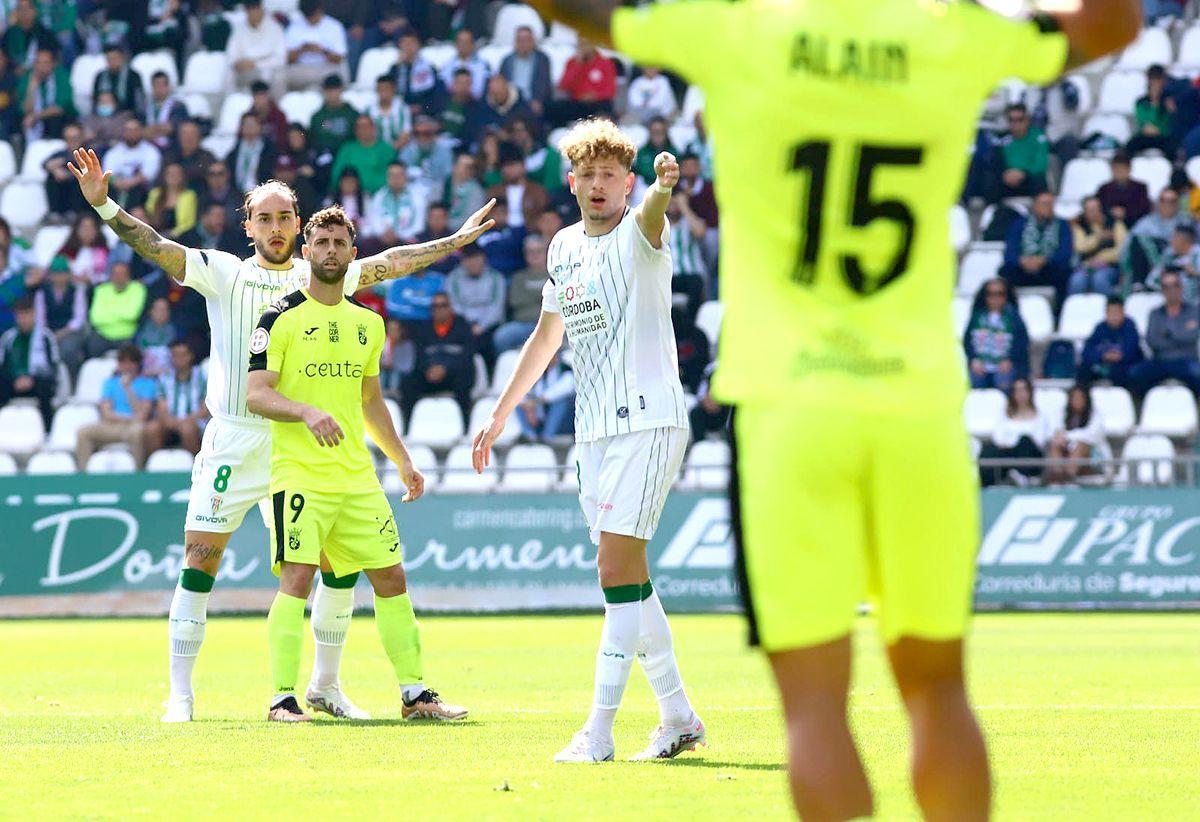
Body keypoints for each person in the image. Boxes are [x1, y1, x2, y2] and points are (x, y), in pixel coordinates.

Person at [523, 0, 1137, 816]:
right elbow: (1114, 23)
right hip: (915, 403)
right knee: (940, 693)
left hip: (789, 412)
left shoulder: (737, 31)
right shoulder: (952, 30)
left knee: (815, 712)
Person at [68, 146, 494, 723]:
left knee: (330, 565)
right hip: (235, 437)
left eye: (284, 217)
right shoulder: (225, 272)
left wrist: (453, 242)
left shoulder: (322, 274)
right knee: (199, 562)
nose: (275, 227)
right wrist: (107, 207)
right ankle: (181, 695)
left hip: (297, 444)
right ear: (247, 227)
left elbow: (394, 261)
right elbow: (158, 245)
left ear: (298, 224)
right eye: (263, 218)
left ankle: (324, 684)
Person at [472, 119, 703, 763]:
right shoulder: (564, 247)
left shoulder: (642, 227)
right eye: (588, 175)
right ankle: (679, 716)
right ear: (572, 182)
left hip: (650, 420)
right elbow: (546, 339)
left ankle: (597, 732)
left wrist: (662, 187)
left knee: (612, 571)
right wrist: (499, 413)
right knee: (630, 574)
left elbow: (656, 213)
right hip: (593, 430)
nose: (598, 184)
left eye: (611, 176)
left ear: (626, 183)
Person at [245, 205, 466, 722]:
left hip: (357, 477)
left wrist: (404, 461)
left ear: (352, 252)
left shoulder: (368, 323)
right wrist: (304, 410)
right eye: (319, 243)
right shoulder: (278, 317)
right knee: (297, 579)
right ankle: (282, 698)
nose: (329, 251)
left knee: (392, 578)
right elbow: (256, 395)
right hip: (299, 475)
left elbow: (371, 402)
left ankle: (415, 695)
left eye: (338, 243)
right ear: (306, 252)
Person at [74, 343, 159, 469]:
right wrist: (129, 418)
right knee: (83, 432)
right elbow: (106, 412)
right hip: (113, 425)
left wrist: (128, 388)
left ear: (137, 364)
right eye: (122, 363)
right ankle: (84, 476)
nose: (126, 367)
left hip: (133, 427)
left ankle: (138, 473)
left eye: (130, 363)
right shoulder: (109, 383)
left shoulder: (148, 384)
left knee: (137, 432)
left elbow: (143, 414)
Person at [400, 291, 476, 428]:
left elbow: (468, 355)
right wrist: (428, 369)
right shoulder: (423, 329)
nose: (439, 309)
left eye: (443, 305)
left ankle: (465, 427)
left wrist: (445, 368)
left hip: (454, 375)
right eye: (435, 306)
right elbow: (419, 357)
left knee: (464, 380)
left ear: (450, 307)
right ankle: (407, 427)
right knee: (407, 383)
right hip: (429, 375)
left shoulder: (462, 325)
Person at [1128, 270, 1200, 397]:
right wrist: (1181, 335)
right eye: (1166, 286)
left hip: (1186, 360)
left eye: (1175, 285)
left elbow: (1192, 336)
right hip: (1160, 361)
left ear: (1181, 287)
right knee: (1135, 373)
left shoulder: (1194, 311)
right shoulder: (1154, 313)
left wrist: (1167, 333)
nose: (1171, 290)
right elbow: (1152, 341)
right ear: (1162, 290)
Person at [978, 377, 1053, 487]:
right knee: (988, 449)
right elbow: (998, 436)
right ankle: (987, 484)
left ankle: (1022, 476)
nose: (1020, 394)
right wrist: (1010, 445)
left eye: (1023, 390)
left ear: (1029, 392)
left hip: (1030, 455)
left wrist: (1015, 442)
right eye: (1017, 391)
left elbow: (1039, 440)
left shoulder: (1040, 416)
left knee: (1024, 440)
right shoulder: (1005, 415)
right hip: (1008, 453)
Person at [1000, 190, 1073, 303]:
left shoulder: (1063, 225)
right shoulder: (1019, 224)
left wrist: (1044, 260)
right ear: (1035, 206)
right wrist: (1022, 261)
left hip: (1049, 269)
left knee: (1064, 272)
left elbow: (1065, 253)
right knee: (1006, 271)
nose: (1049, 207)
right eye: (1045, 204)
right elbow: (1010, 251)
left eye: (1051, 204)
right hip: (1022, 268)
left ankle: (1057, 314)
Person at [0, 294, 58, 431]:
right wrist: (16, 380)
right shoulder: (8, 338)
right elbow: (3, 365)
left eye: (27, 315)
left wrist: (31, 379)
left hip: (37, 381)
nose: (23, 320)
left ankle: (47, 431)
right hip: (14, 383)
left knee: (46, 386)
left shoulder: (46, 337)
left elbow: (53, 365)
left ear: (34, 314)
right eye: (20, 316)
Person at [963, 278, 1030, 391]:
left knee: (1003, 380)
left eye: (1000, 294)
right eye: (990, 294)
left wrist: (1009, 359)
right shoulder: (977, 316)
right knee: (974, 380)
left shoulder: (1013, 317)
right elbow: (967, 341)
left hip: (1005, 364)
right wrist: (973, 359)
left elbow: (1021, 342)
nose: (995, 298)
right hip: (980, 364)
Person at [446, 244, 505, 365]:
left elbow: (496, 307)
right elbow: (454, 305)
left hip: (489, 325)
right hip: (463, 323)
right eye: (467, 259)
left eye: (475, 258)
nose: (472, 263)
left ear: (483, 258)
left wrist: (481, 326)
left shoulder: (496, 277)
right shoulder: (453, 278)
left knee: (491, 341)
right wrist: (470, 325)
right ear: (462, 261)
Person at [146, 339, 207, 456]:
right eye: (175, 355)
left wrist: (186, 420)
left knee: (187, 429)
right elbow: (161, 406)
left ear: (191, 356)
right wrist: (170, 421)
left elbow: (205, 409)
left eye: (183, 355)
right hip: (169, 421)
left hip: (195, 421)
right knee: (151, 429)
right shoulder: (164, 377)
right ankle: (152, 467)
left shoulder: (202, 376)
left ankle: (195, 467)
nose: (179, 359)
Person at [1125, 187, 1194, 288]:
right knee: (1139, 240)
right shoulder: (1145, 223)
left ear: (1177, 203)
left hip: (1178, 264)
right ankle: (1139, 284)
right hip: (1149, 265)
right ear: (1158, 202)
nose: (1167, 204)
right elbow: (1128, 245)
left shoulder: (1186, 222)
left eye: (1172, 201)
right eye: (1163, 200)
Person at [494, 234, 550, 354]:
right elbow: (516, 301)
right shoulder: (518, 277)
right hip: (524, 324)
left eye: (539, 251)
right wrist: (543, 296)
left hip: (552, 323)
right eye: (530, 252)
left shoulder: (555, 274)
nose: (535, 255)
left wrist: (532, 296)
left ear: (546, 252)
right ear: (525, 254)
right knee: (502, 336)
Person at [33, 254, 87, 375]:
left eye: (62, 273)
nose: (59, 277)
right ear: (50, 275)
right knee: (42, 348)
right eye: (56, 273)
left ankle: (71, 381)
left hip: (70, 332)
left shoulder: (77, 291)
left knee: (68, 349)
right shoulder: (42, 292)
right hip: (48, 331)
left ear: (68, 274)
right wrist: (48, 333)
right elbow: (40, 318)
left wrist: (61, 334)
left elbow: (79, 319)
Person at [1044, 385, 1108, 485]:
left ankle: (1069, 477)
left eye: (1080, 398)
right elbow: (1054, 431)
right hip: (1065, 453)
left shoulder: (1095, 415)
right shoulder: (1062, 413)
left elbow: (1091, 435)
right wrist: (1061, 438)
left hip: (1091, 458)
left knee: (1080, 444)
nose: (1077, 401)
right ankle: (1057, 478)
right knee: (1055, 446)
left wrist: (1067, 436)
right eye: (1074, 398)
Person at [85, 261, 146, 358]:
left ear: (128, 276)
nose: (119, 278)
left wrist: (109, 311)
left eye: (122, 274)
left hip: (127, 335)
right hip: (103, 336)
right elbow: (95, 318)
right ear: (111, 276)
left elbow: (132, 315)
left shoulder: (137, 288)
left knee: (131, 353)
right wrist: (121, 312)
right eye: (116, 274)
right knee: (91, 346)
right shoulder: (101, 290)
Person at [284, 0, 349, 91]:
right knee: (280, 76)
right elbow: (288, 59)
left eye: (313, 15)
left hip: (326, 68)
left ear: (319, 11)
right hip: (301, 69)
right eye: (308, 17)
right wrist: (302, 49)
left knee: (335, 77)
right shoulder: (294, 27)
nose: (311, 19)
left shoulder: (334, 26)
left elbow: (339, 58)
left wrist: (322, 51)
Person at [1078, 296, 1143, 387]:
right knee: (1083, 370)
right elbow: (1086, 352)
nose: (1114, 316)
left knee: (1123, 371)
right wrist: (1103, 356)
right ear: (1106, 313)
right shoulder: (1100, 328)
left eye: (1117, 312)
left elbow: (1132, 350)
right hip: (1103, 364)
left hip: (1124, 366)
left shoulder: (1130, 327)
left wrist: (1119, 356)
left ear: (1123, 312)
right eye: (1111, 313)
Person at [226, 0, 286, 98]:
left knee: (276, 75)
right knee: (228, 74)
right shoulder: (239, 29)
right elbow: (231, 56)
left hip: (267, 70)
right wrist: (237, 64)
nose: (252, 12)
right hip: (245, 72)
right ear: (245, 10)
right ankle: (232, 106)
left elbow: (280, 59)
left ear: (261, 9)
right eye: (249, 9)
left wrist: (255, 64)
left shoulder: (275, 28)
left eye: (255, 8)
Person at [551, 39, 617, 125]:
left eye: (586, 44)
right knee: (555, 108)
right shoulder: (572, 62)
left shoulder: (605, 63)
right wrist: (577, 64)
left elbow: (610, 90)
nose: (584, 47)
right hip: (577, 103)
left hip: (598, 103)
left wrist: (594, 95)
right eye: (581, 44)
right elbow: (563, 85)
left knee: (604, 108)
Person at [1069, 196, 1125, 295]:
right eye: (1089, 210)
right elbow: (1080, 247)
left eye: (1095, 209)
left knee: (1099, 279)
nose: (1093, 213)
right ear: (1084, 212)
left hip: (1110, 267)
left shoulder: (1115, 224)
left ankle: (1110, 308)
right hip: (1086, 267)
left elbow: (1123, 250)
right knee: (1076, 281)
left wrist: (1102, 257)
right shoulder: (1079, 226)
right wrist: (1098, 237)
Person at [102, 118, 161, 210]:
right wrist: (117, 182)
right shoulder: (114, 152)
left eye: (135, 130)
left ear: (141, 131)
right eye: (128, 130)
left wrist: (130, 183)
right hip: (117, 189)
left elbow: (148, 174)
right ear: (123, 132)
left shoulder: (151, 151)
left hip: (141, 192)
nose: (131, 133)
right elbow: (107, 173)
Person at [329, 115, 396, 196]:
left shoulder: (386, 149)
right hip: (351, 196)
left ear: (373, 128)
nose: (363, 129)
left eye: (366, 126)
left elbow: (391, 175)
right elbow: (337, 174)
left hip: (380, 196)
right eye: (359, 127)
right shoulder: (347, 149)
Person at [18, 46, 73, 142]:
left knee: (55, 120)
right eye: (38, 63)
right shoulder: (27, 79)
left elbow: (59, 108)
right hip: (35, 121)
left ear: (53, 64)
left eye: (46, 63)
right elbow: (26, 109)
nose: (41, 66)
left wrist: (36, 116)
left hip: (59, 120)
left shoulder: (61, 76)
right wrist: (32, 87)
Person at [518, 349, 574, 441]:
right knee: (517, 404)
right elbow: (525, 390)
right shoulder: (538, 371)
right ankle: (530, 435)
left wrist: (536, 402)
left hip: (563, 421)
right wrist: (528, 408)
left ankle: (547, 437)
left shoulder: (565, 369)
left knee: (560, 402)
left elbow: (565, 388)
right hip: (541, 417)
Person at [365, 162, 425, 248]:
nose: (395, 179)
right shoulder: (379, 196)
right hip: (383, 239)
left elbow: (419, 225)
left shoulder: (416, 196)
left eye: (399, 175)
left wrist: (399, 235)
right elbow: (373, 221)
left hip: (406, 242)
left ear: (406, 177)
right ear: (387, 177)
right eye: (392, 175)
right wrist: (383, 233)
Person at [486, 150, 549, 230]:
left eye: (512, 165)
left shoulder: (537, 191)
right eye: (504, 166)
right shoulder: (494, 191)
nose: (507, 169)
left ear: (523, 166)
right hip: (502, 231)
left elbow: (543, 214)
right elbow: (487, 215)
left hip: (529, 232)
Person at [997, 102, 1049, 197]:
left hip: (1029, 179)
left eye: (1020, 120)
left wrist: (1023, 172)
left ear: (1027, 120)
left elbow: (1041, 164)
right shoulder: (1003, 140)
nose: (1015, 123)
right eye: (1011, 120)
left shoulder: (1038, 137)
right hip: (1009, 180)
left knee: (1039, 178)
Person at [500, 26, 553, 119]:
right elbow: (503, 82)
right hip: (511, 101)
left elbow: (544, 84)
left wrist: (538, 100)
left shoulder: (542, 60)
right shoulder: (507, 60)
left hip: (532, 102)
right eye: (519, 40)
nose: (523, 44)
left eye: (526, 40)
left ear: (533, 41)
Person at [43, 121, 89, 218]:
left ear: (82, 137)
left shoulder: (89, 152)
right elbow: (45, 164)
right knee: (51, 177)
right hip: (62, 191)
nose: (71, 141)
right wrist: (56, 170)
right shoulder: (62, 153)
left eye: (74, 138)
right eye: (68, 138)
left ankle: (75, 213)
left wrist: (68, 174)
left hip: (82, 197)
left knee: (78, 179)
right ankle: (55, 213)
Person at [1127, 64, 1175, 157]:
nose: (1156, 84)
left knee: (1172, 147)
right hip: (1146, 136)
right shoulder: (1141, 102)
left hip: (1162, 137)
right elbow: (1142, 122)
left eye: (1158, 80)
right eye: (1153, 80)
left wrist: (1158, 103)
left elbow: (1166, 124)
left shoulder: (1168, 101)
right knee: (1130, 145)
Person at [399, 115, 455, 194]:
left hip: (436, 191)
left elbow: (446, 178)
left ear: (433, 134)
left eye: (426, 133)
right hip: (411, 191)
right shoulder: (407, 150)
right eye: (417, 133)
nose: (421, 137)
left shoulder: (444, 152)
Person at [226, 113, 278, 197]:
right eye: (246, 124)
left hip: (263, 194)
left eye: (252, 124)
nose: (249, 127)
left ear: (260, 127)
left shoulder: (269, 150)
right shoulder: (234, 151)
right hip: (238, 196)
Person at [1146, 224, 1200, 300]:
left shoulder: (1197, 254)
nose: (1171, 241)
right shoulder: (1169, 255)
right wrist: (1162, 277)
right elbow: (1150, 281)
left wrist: (1194, 273)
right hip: (1171, 301)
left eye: (1175, 238)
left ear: (1186, 240)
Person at [161, 120, 217, 194]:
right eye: (184, 134)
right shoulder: (169, 156)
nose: (188, 138)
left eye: (192, 134)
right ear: (179, 137)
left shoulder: (207, 158)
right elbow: (160, 180)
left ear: (199, 137)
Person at [1096, 152, 1151, 228]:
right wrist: (1111, 211)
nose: (1119, 172)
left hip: (1134, 225)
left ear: (1129, 169)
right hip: (1109, 226)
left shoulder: (1140, 188)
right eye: (1116, 169)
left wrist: (1126, 212)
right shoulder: (1103, 189)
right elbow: (1100, 207)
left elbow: (1144, 208)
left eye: (1122, 168)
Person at [145, 162, 198, 239]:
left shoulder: (189, 195)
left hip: (179, 237)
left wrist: (172, 234)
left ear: (182, 176)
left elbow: (189, 223)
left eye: (177, 173)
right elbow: (148, 214)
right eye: (170, 173)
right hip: (155, 235)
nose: (173, 176)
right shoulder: (155, 193)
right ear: (165, 176)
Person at [92, 43, 144, 115]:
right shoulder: (100, 76)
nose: (112, 62)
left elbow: (139, 102)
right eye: (109, 59)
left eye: (115, 58)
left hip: (128, 116)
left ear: (122, 58)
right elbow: (95, 101)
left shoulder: (133, 76)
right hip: (104, 116)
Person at [439, 29, 489, 100]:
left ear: (472, 45)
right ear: (455, 44)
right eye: (460, 42)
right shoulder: (447, 65)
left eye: (466, 42)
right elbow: (443, 88)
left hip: (476, 104)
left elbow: (483, 90)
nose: (463, 45)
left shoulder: (483, 65)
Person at [143, 71, 188, 149]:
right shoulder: (144, 106)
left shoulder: (178, 106)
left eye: (162, 85)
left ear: (168, 87)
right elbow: (141, 130)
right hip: (146, 146)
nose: (159, 89)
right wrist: (160, 129)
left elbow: (171, 128)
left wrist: (151, 130)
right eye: (156, 85)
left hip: (170, 147)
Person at [688, 360, 729, 442]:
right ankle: (699, 446)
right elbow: (701, 394)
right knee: (696, 412)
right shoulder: (711, 368)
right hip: (711, 407)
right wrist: (707, 400)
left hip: (727, 404)